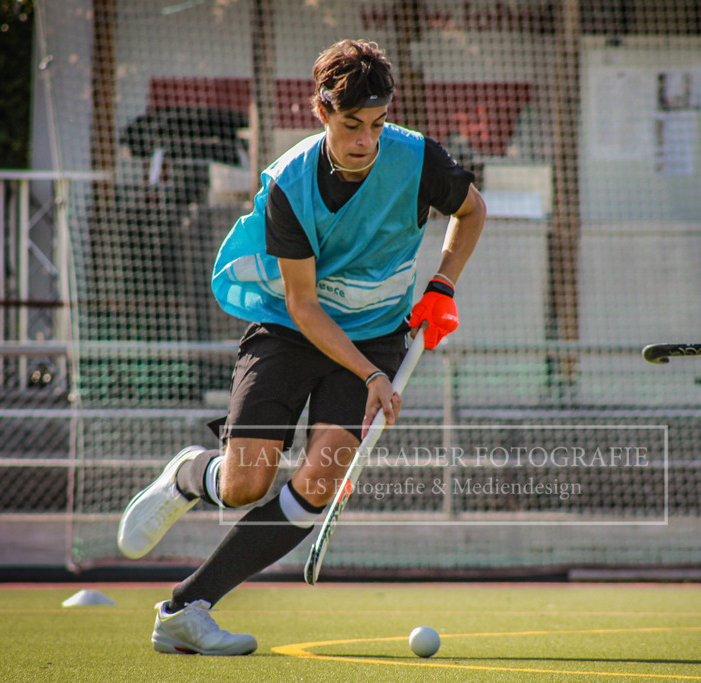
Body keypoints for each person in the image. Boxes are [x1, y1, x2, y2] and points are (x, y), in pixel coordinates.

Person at [116, 39, 486, 656]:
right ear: (322, 111)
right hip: (292, 331)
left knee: (318, 481)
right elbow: (303, 305)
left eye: (375, 123)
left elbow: (470, 212)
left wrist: (443, 284)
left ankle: (185, 611)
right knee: (244, 485)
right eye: (350, 125)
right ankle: (190, 476)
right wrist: (371, 375)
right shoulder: (290, 183)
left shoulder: (419, 160)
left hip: (375, 330)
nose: (365, 140)